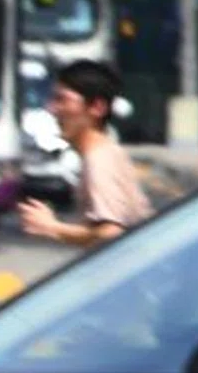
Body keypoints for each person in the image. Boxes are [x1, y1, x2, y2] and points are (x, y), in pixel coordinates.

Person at [18, 59, 152, 247]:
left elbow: (111, 233)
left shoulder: (99, 161)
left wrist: (52, 227)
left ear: (97, 107)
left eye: (62, 99)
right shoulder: (105, 153)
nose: (53, 109)